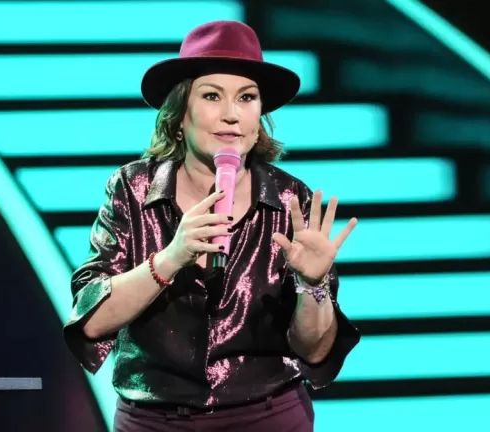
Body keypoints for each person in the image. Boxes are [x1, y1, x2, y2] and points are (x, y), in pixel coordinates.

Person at [63, 20, 361, 431]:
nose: (231, 115)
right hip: (155, 420)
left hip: (266, 416)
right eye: (211, 96)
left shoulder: (291, 201)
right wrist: (170, 258)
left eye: (246, 98)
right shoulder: (132, 189)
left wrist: (313, 285)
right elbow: (92, 322)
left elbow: (313, 351)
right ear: (179, 115)